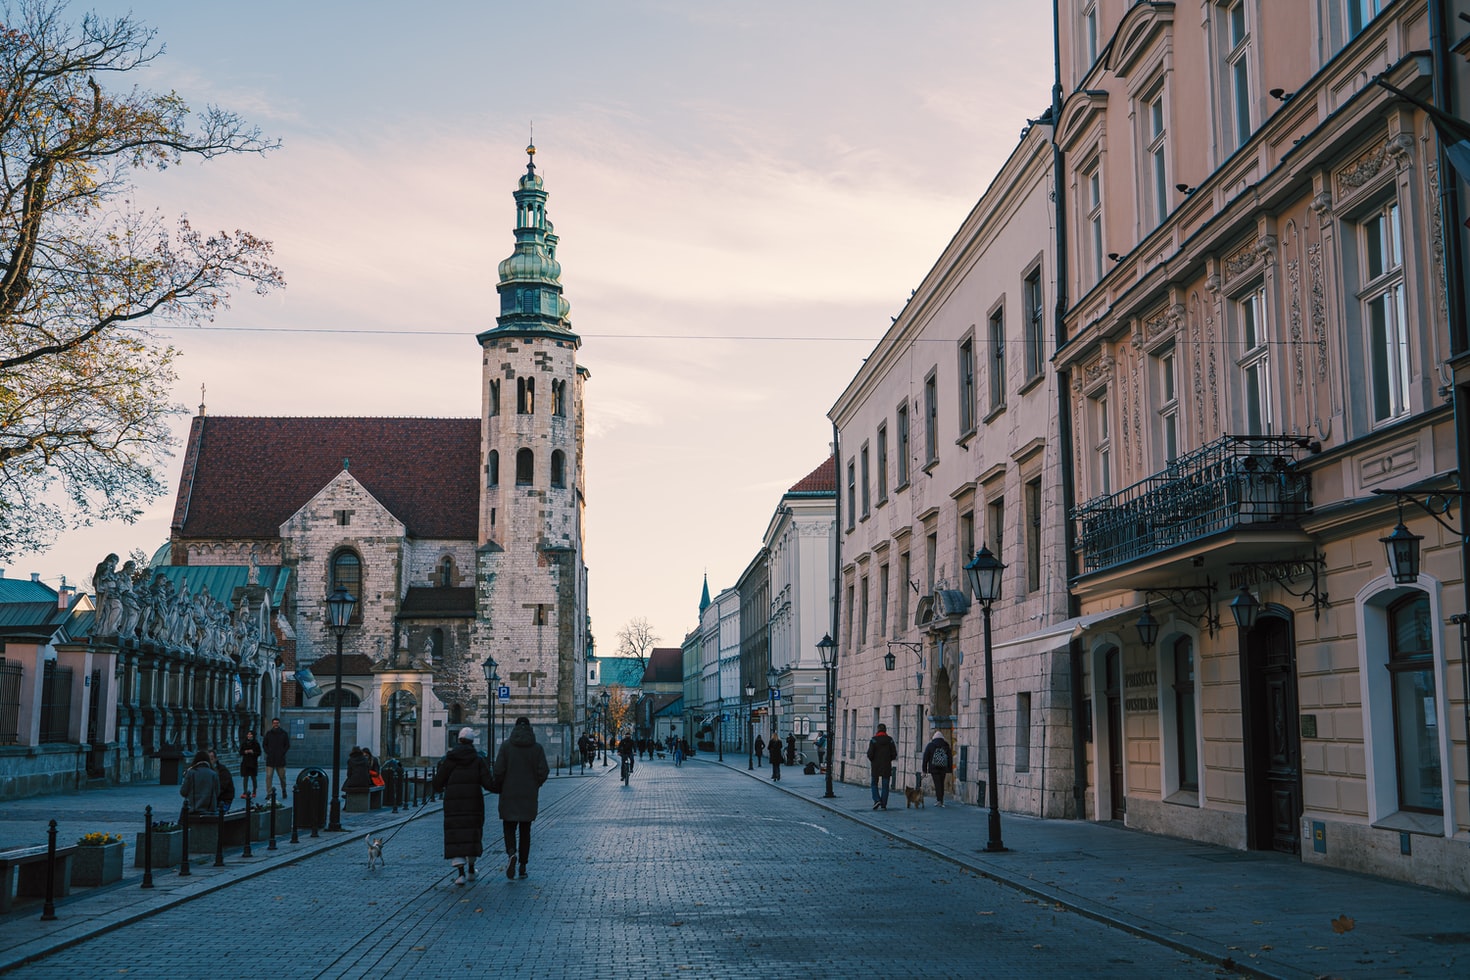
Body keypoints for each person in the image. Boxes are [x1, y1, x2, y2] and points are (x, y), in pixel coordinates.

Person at [432, 727, 497, 886]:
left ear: (459, 740)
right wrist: (503, 786)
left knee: (456, 836)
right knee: (471, 835)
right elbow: (488, 783)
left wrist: (440, 788)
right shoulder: (477, 759)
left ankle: (460, 874)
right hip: (473, 803)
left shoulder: (450, 759)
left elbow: (438, 782)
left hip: (453, 804)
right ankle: (471, 870)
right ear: (471, 741)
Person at [494, 716, 549, 880]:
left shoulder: (506, 746)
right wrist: (535, 785)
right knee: (525, 831)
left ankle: (511, 852)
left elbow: (498, 770)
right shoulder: (537, 748)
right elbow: (543, 771)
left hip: (509, 794)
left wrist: (501, 784)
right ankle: (523, 865)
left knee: (509, 827)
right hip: (528, 795)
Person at [180, 750, 220, 818]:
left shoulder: (191, 773)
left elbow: (183, 791)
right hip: (210, 810)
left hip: (193, 809)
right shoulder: (213, 774)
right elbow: (217, 792)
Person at [867, 722, 898, 810]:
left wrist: (873, 760)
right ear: (885, 730)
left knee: (874, 783)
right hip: (886, 765)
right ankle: (883, 804)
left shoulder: (873, 740)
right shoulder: (890, 740)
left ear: (878, 730)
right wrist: (888, 759)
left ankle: (877, 800)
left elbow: (870, 754)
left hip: (875, 766)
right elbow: (894, 754)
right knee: (885, 785)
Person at [922, 730, 954, 807]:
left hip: (934, 768)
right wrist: (949, 769)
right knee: (941, 784)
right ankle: (941, 800)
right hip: (943, 768)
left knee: (937, 784)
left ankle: (939, 800)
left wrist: (924, 770)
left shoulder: (930, 745)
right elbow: (950, 757)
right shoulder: (946, 745)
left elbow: (925, 758)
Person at [263, 717, 290, 799]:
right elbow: (265, 744)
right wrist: (268, 752)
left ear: (279, 724)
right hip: (270, 759)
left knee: (282, 777)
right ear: (272, 724)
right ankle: (269, 793)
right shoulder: (268, 733)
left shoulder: (284, 733)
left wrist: (282, 753)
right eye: (274, 723)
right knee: (268, 776)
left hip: (280, 759)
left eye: (277, 723)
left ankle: (284, 789)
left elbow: (287, 745)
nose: (276, 724)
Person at [239, 728, 262, 797]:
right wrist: (245, 752)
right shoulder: (244, 743)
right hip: (245, 762)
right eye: (248, 734)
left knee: (253, 777)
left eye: (250, 734)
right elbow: (240, 751)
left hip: (253, 762)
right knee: (245, 777)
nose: (249, 736)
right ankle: (245, 792)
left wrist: (253, 752)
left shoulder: (256, 743)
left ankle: (254, 791)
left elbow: (259, 752)